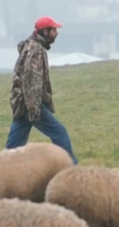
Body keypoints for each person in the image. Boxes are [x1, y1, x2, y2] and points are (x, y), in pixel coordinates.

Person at [5, 15, 79, 164]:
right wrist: (34, 110)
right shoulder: (36, 51)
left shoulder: (30, 46)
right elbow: (31, 80)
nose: (57, 33)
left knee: (13, 147)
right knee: (59, 132)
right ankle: (71, 168)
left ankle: (1, 169)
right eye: (54, 30)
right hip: (30, 104)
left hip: (22, 103)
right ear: (45, 32)